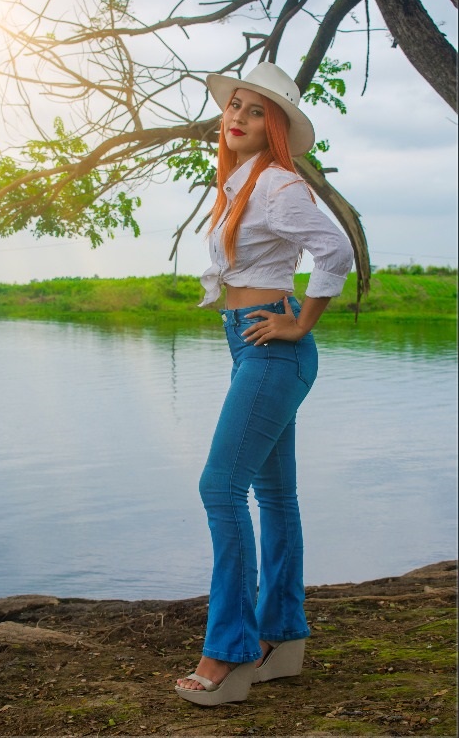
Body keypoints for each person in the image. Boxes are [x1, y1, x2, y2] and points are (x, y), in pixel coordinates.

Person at [175, 62, 354, 706]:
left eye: (256, 111)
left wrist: (299, 323)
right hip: (250, 341)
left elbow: (336, 252)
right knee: (275, 496)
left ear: (273, 128)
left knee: (220, 486)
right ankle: (282, 636)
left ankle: (230, 652)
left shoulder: (278, 183)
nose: (239, 117)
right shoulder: (239, 182)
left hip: (273, 346)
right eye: (236, 106)